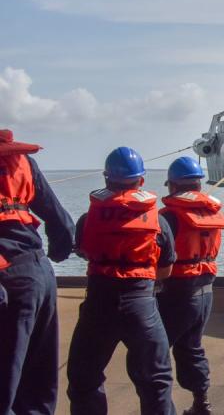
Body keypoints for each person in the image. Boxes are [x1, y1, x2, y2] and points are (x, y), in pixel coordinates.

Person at [66, 146, 177, 415]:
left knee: (84, 378)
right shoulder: (158, 222)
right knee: (156, 381)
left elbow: (85, 251)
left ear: (106, 179)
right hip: (141, 305)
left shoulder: (87, 218)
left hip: (98, 305)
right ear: (141, 180)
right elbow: (166, 269)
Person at [0, 129, 74, 414]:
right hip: (40, 272)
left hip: (8, 281)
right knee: (38, 382)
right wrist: (57, 253)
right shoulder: (23, 162)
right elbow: (61, 222)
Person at [157, 157, 224, 415]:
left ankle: (162, 408)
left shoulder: (168, 216)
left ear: (173, 186)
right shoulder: (212, 212)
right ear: (199, 186)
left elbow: (157, 252)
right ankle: (202, 403)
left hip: (177, 292)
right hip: (205, 291)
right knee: (192, 347)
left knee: (155, 352)